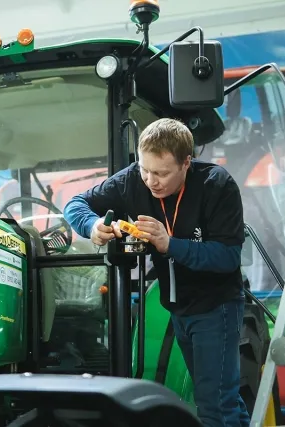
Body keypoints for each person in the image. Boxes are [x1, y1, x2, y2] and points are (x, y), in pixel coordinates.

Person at [63, 118, 250, 427]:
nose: (151, 181)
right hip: (177, 308)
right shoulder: (132, 180)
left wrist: (169, 244)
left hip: (216, 306)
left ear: (186, 162)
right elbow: (76, 203)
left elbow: (227, 257)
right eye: (145, 170)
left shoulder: (216, 184)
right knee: (221, 399)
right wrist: (92, 224)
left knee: (215, 405)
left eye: (162, 173)